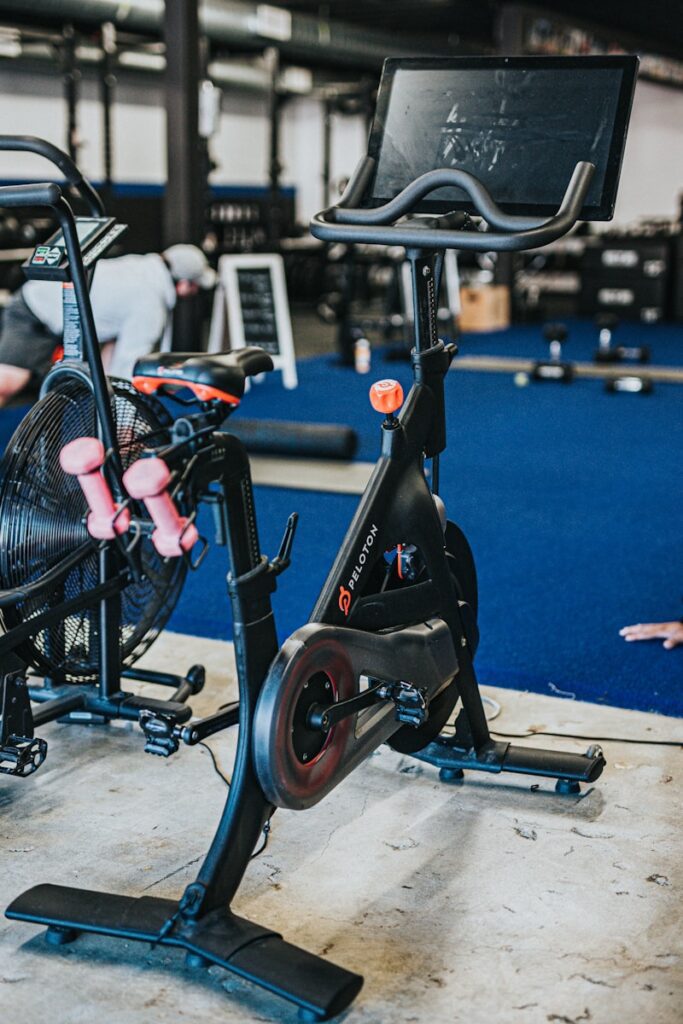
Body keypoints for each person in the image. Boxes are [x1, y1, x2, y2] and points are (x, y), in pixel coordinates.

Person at [0, 243, 216, 404]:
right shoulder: (149, 303)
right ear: (184, 284)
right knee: (7, 384)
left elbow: (110, 363)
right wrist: (124, 425)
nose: (194, 292)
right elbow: (125, 370)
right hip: (35, 309)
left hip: (52, 310)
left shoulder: (140, 265)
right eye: (195, 286)